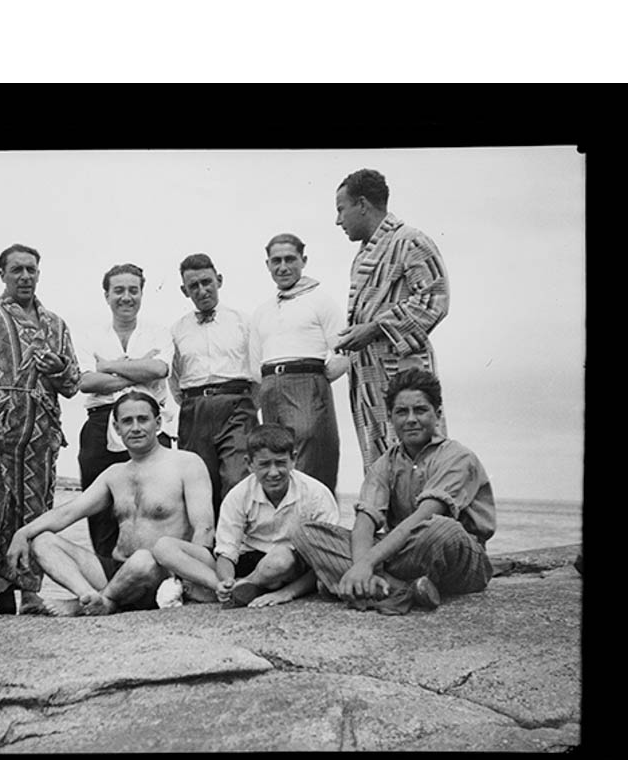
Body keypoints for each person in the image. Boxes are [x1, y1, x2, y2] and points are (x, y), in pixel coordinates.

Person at [290, 369, 494, 616]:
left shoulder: (458, 457)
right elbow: (365, 521)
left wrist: (365, 564)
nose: (410, 419)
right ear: (390, 418)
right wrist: (361, 566)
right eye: (401, 412)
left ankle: (365, 585)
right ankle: (404, 588)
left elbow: (424, 518)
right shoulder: (384, 463)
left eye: (420, 410)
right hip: (404, 555)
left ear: (437, 414)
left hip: (455, 557)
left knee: (441, 528)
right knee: (305, 532)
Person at [0, 243, 80, 614]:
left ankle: (31, 593)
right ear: (3, 274)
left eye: (31, 270)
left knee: (36, 510)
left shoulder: (56, 324)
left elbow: (72, 384)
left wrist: (57, 368)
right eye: (17, 270)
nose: (25, 276)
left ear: (39, 274)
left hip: (40, 431)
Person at [7, 391, 213, 616]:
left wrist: (190, 582)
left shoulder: (186, 463)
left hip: (161, 572)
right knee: (43, 541)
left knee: (144, 559)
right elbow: (69, 513)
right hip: (117, 571)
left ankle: (94, 602)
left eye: (143, 419)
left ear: (158, 422)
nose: (135, 428)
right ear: (116, 428)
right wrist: (23, 533)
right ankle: (90, 597)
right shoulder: (115, 474)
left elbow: (204, 528)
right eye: (127, 421)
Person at [333, 168, 450, 471]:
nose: (338, 221)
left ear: (362, 204)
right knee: (381, 468)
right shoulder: (364, 254)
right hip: (368, 380)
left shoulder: (410, 241)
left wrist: (375, 328)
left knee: (419, 460)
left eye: (341, 210)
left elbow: (435, 299)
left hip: (402, 374)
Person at [152, 424, 339, 608]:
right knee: (163, 547)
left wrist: (286, 594)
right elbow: (227, 551)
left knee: (280, 559)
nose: (273, 472)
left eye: (280, 463)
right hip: (247, 560)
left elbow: (326, 560)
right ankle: (225, 589)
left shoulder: (316, 494)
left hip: (288, 565)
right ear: (249, 464)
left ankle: (244, 587)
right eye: (264, 464)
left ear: (293, 459)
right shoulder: (239, 495)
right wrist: (226, 580)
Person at [75, 263, 174, 558]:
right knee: (101, 505)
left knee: (154, 502)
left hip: (148, 421)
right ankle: (107, 575)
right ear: (106, 295)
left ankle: (156, 576)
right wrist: (138, 370)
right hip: (101, 421)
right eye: (119, 290)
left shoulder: (159, 332)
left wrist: (107, 366)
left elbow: (159, 369)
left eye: (133, 290)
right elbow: (86, 381)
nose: (126, 297)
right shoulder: (90, 335)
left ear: (142, 293)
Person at [249, 233, 349, 493]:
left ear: (303, 260)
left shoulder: (320, 300)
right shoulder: (262, 311)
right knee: (276, 461)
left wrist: (319, 378)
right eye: (276, 261)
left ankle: (317, 530)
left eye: (290, 259)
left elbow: (345, 349)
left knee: (311, 462)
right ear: (267, 265)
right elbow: (254, 363)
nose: (283, 267)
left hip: (308, 383)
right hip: (270, 388)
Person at [169, 253, 259, 522]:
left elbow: (257, 372)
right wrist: (194, 404)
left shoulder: (243, 322)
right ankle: (206, 554)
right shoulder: (177, 329)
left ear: (219, 280)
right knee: (200, 486)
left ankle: (241, 554)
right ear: (184, 291)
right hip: (194, 411)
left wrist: (246, 404)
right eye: (193, 286)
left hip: (237, 406)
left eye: (207, 282)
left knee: (237, 477)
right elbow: (174, 381)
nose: (202, 290)